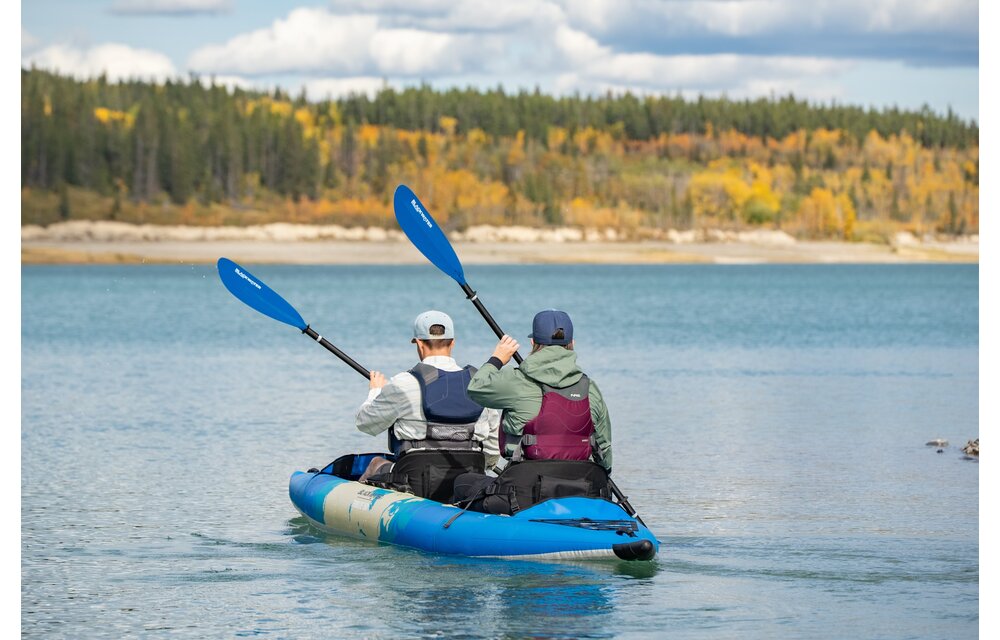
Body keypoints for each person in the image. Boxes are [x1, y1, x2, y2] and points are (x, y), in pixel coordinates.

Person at [355, 310, 500, 490]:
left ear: (419, 343)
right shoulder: (481, 384)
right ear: (452, 342)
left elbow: (365, 423)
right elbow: (492, 450)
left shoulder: (403, 383)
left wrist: (376, 391)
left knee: (376, 463)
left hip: (415, 480)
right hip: (469, 479)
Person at [466, 309, 612, 472]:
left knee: (466, 481)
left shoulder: (517, 380)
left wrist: (497, 359)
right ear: (572, 343)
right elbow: (604, 446)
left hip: (526, 479)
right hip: (579, 479)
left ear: (533, 342)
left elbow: (475, 387)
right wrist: (602, 475)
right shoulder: (590, 388)